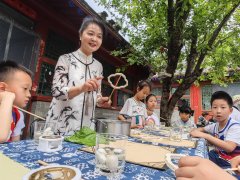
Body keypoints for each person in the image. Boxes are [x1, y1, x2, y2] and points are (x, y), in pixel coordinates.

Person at [46, 16, 110, 136]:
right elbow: (57, 91)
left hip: (87, 129)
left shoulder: (98, 66)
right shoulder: (65, 59)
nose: (94, 39)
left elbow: (97, 95)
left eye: (99, 36)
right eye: (90, 33)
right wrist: (81, 88)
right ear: (80, 35)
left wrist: (101, 101)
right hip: (62, 126)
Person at [190, 91, 240, 168]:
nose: (218, 111)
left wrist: (206, 136)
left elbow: (229, 147)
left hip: (231, 164)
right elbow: (201, 129)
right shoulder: (215, 125)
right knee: (191, 161)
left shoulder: (234, 126)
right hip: (218, 157)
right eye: (215, 107)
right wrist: (197, 131)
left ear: (230, 111)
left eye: (223, 107)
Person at [0, 61, 32, 143]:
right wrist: (7, 98)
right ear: (3, 88)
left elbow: (15, 145)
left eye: (29, 90)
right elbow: (1, 137)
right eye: (25, 88)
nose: (29, 95)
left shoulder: (18, 115)